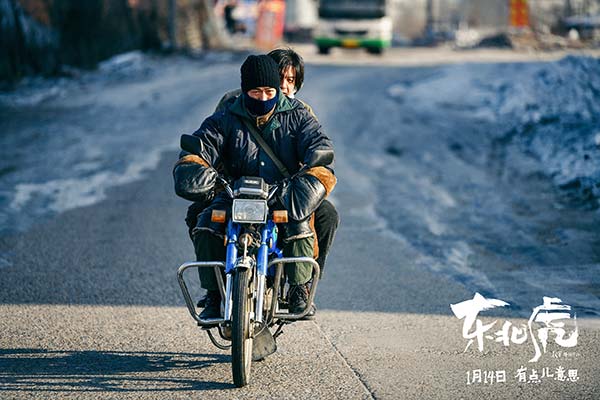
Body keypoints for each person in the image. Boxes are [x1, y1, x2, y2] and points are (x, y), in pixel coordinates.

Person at [173, 55, 337, 319]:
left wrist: (311, 176)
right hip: (233, 193)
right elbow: (202, 145)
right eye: (255, 91)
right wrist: (194, 165)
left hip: (280, 194)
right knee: (205, 222)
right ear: (244, 89)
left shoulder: (299, 116)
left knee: (300, 224)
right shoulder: (226, 116)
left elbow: (319, 147)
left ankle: (298, 288)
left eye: (270, 91)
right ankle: (214, 293)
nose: (263, 98)